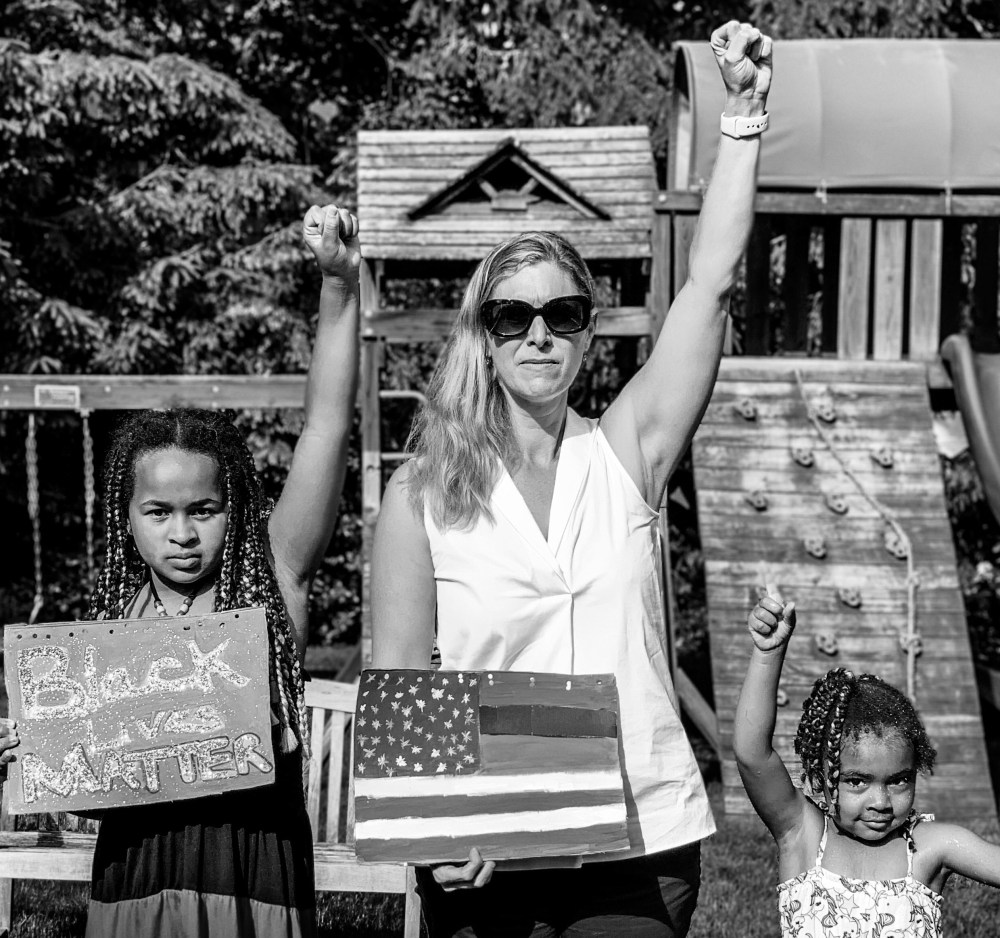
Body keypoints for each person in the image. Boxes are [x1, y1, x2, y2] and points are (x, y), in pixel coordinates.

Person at [370, 20, 772, 938]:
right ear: (483, 336)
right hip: (485, 846)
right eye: (512, 317)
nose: (539, 333)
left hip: (638, 846)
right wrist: (434, 836)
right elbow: (396, 679)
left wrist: (744, 116)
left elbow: (709, 286)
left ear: (589, 331)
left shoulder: (627, 453)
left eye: (564, 312)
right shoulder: (420, 494)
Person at [0, 204, 361, 937]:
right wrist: (29, 747)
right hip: (135, 880)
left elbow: (325, 426)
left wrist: (339, 288)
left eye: (204, 509)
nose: (185, 533)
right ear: (127, 520)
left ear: (235, 509)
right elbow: (76, 775)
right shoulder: (104, 639)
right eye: (159, 512)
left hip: (254, 881)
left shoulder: (271, 582)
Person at [734, 585, 1000, 937]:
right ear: (820, 780)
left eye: (899, 780)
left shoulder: (928, 847)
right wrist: (768, 654)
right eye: (857, 781)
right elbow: (752, 753)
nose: (881, 802)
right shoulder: (803, 835)